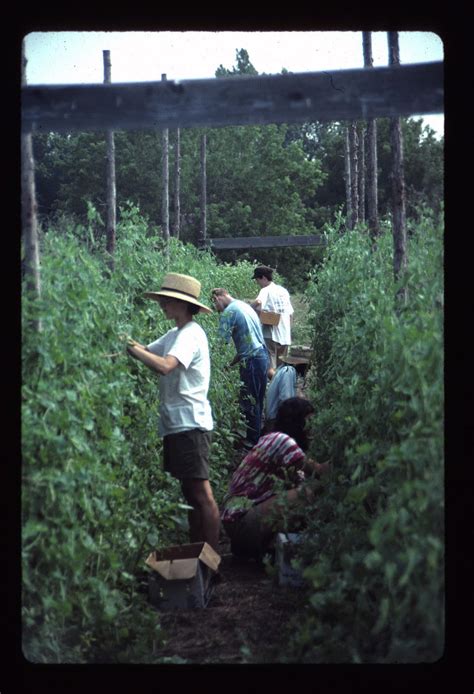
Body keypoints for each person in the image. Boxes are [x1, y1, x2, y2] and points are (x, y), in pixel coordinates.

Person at [126, 272, 221, 552]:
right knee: (191, 494)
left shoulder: (190, 335)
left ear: (184, 304)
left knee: (201, 494)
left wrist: (131, 347)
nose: (162, 304)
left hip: (190, 424)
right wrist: (127, 343)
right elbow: (146, 351)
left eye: (168, 300)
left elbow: (164, 365)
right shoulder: (175, 334)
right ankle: (198, 554)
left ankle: (212, 562)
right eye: (163, 299)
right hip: (178, 425)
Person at [221, 397, 330, 561]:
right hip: (241, 521)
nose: (311, 428)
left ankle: (257, 548)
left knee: (300, 493)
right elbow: (320, 471)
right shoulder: (283, 441)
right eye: (308, 422)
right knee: (307, 493)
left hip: (236, 521)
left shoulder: (271, 439)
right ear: (297, 422)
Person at [211, 288, 269, 448]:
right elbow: (247, 344)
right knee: (257, 399)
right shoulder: (244, 306)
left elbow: (220, 345)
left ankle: (253, 443)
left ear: (217, 298)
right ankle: (257, 435)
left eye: (214, 305)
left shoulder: (229, 313)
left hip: (251, 361)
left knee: (249, 401)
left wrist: (214, 363)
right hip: (262, 356)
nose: (217, 310)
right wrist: (229, 365)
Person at [251, 266, 294, 379]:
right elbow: (290, 313)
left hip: (270, 334)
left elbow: (258, 301)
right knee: (281, 368)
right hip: (285, 334)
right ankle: (284, 390)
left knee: (270, 368)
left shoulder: (265, 290)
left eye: (257, 280)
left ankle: (274, 389)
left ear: (263, 278)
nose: (257, 283)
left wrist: (248, 308)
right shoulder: (283, 291)